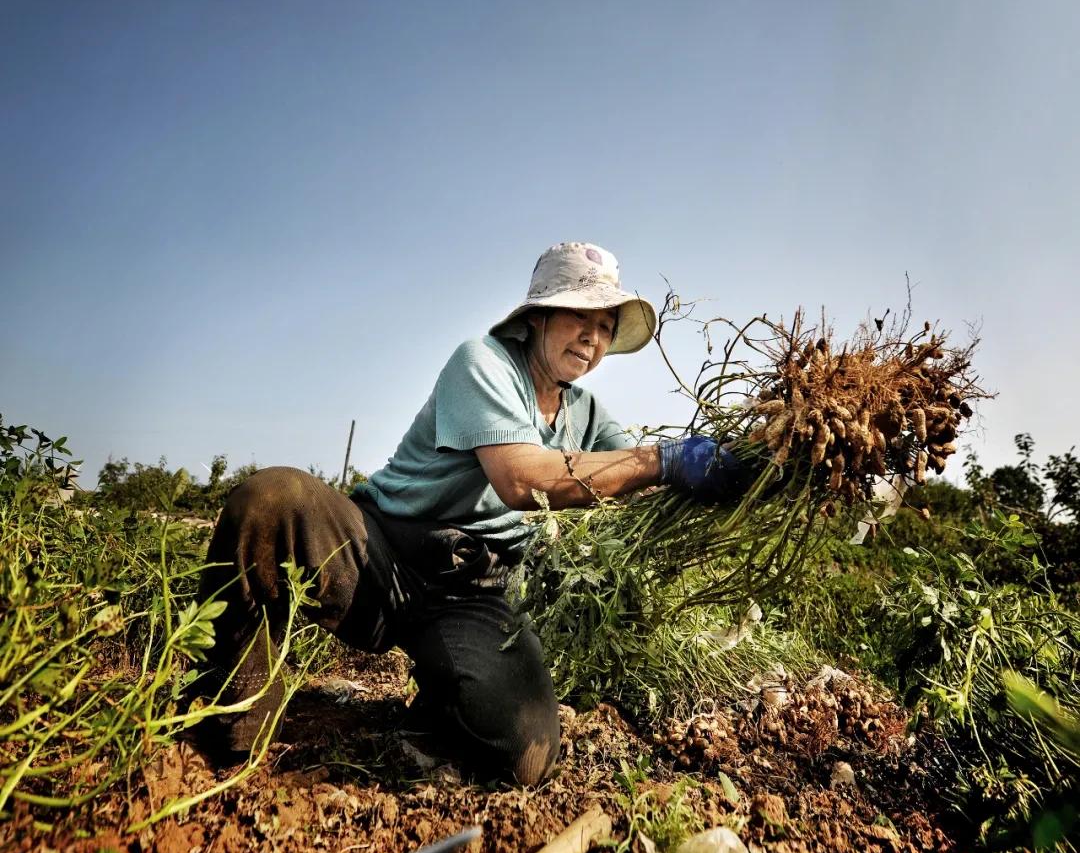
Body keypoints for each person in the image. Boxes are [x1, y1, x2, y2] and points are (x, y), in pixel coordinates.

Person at [196, 242, 749, 785]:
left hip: (473, 588)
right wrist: (663, 459)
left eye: (605, 325)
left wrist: (744, 474)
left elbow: (632, 483)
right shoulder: (483, 362)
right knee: (271, 500)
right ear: (538, 317)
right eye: (580, 315)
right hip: (379, 554)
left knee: (527, 754)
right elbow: (521, 478)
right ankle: (234, 719)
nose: (593, 337)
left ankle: (442, 698)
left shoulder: (589, 413)